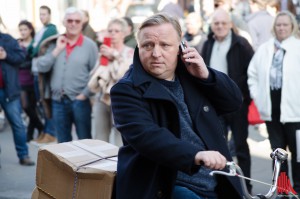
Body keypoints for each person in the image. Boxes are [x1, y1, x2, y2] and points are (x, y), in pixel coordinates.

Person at [110, 13, 244, 199]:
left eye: (165, 45)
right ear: (138, 47)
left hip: (217, 179)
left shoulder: (192, 73)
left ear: (181, 47)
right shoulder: (125, 90)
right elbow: (147, 136)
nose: (156, 53)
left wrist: (206, 75)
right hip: (167, 185)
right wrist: (196, 154)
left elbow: (234, 102)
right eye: (148, 45)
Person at [201, 8, 254, 193]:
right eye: (216, 23)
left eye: (224, 23)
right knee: (218, 147)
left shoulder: (241, 44)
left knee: (240, 146)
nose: (220, 26)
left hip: (237, 104)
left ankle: (246, 187)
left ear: (230, 24)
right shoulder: (207, 43)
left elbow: (251, 72)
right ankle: (224, 187)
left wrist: (245, 97)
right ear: (212, 26)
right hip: (214, 105)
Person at [247, 10, 300, 194]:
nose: (282, 28)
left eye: (285, 24)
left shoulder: (298, 47)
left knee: (299, 156)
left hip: (296, 115)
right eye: (278, 25)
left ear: (292, 26)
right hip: (272, 114)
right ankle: (284, 192)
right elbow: (252, 74)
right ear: (274, 27)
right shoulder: (265, 49)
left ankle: (298, 191)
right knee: (279, 157)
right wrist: (258, 96)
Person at [36, 7, 98, 143]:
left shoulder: (90, 45)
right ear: (64, 22)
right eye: (70, 20)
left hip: (80, 101)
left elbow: (96, 74)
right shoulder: (54, 43)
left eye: (77, 21)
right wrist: (57, 50)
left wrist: (84, 95)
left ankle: (84, 165)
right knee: (63, 144)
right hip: (57, 101)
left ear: (82, 23)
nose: (73, 24)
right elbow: (41, 66)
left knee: (85, 142)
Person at [88, 18, 134, 146]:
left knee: (120, 136)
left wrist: (114, 54)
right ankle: (101, 165)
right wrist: (103, 58)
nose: (113, 34)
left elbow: (123, 74)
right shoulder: (104, 51)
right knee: (100, 137)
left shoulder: (129, 52)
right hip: (102, 98)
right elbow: (95, 76)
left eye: (117, 31)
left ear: (124, 33)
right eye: (110, 31)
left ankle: (120, 165)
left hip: (121, 99)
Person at [0, 29, 34, 166]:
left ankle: (23, 155)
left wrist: (6, 55)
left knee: (17, 124)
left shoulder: (8, 40)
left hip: (9, 90)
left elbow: (21, 58)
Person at [28, 5, 58, 144]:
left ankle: (50, 133)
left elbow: (35, 49)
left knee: (46, 103)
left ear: (50, 15)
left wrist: (33, 49)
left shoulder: (51, 29)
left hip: (43, 73)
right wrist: (32, 49)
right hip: (35, 71)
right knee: (41, 104)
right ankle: (46, 131)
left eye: (44, 14)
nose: (42, 17)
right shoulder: (41, 30)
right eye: (40, 14)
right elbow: (30, 48)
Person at [18, 20, 44, 142]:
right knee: (26, 107)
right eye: (21, 30)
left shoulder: (35, 44)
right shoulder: (17, 44)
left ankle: (29, 134)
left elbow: (36, 61)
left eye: (25, 29)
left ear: (30, 30)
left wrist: (23, 64)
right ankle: (40, 126)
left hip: (33, 79)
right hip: (21, 81)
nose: (23, 32)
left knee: (32, 107)